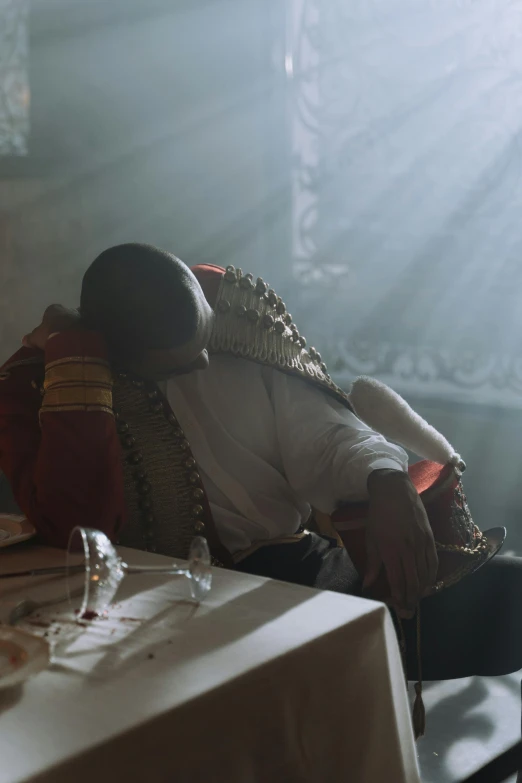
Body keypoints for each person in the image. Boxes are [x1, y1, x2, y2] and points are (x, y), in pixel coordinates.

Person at [1, 242, 521, 692]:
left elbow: (327, 435)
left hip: (300, 572)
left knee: (508, 594)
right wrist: (78, 365)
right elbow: (77, 523)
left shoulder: (232, 323)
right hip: (162, 614)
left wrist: (385, 477)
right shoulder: (38, 388)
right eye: (182, 364)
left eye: (202, 341)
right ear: (121, 356)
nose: (204, 362)